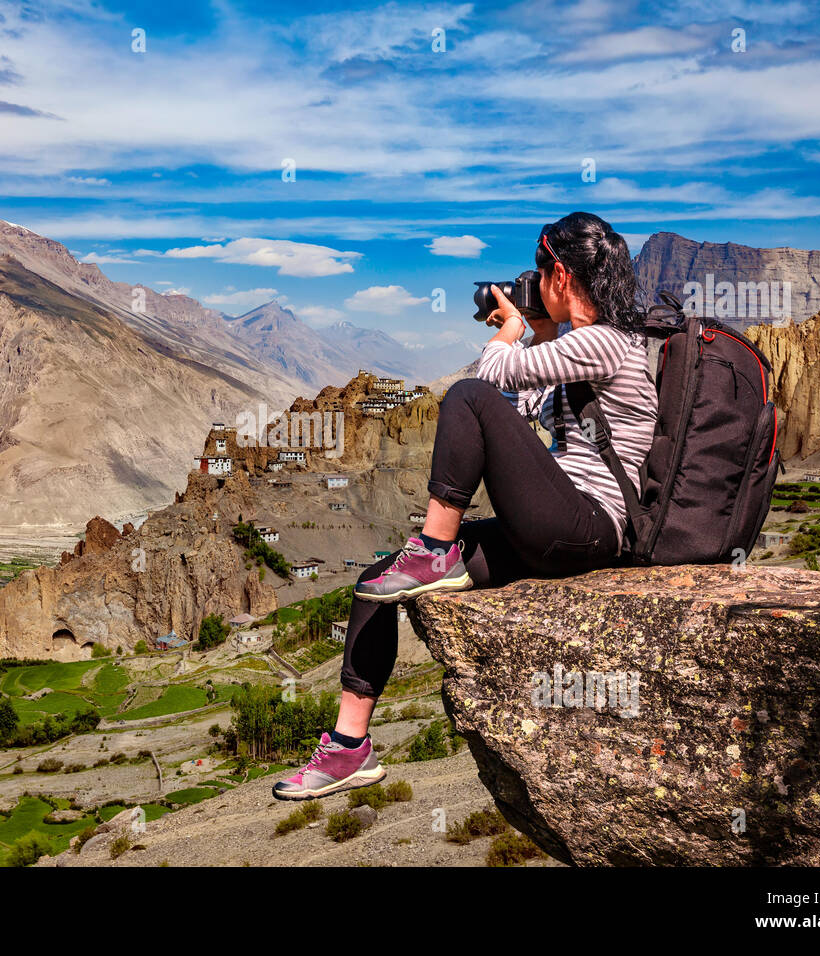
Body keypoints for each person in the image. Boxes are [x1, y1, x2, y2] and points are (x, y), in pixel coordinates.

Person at [272, 211, 658, 800]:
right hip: (556, 526)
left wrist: (509, 333)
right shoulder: (579, 350)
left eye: (538, 273)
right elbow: (512, 408)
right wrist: (536, 330)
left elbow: (487, 380)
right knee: (380, 580)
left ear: (558, 273)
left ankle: (434, 547)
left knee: (466, 394)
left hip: (591, 526)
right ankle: (350, 746)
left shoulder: (607, 341)